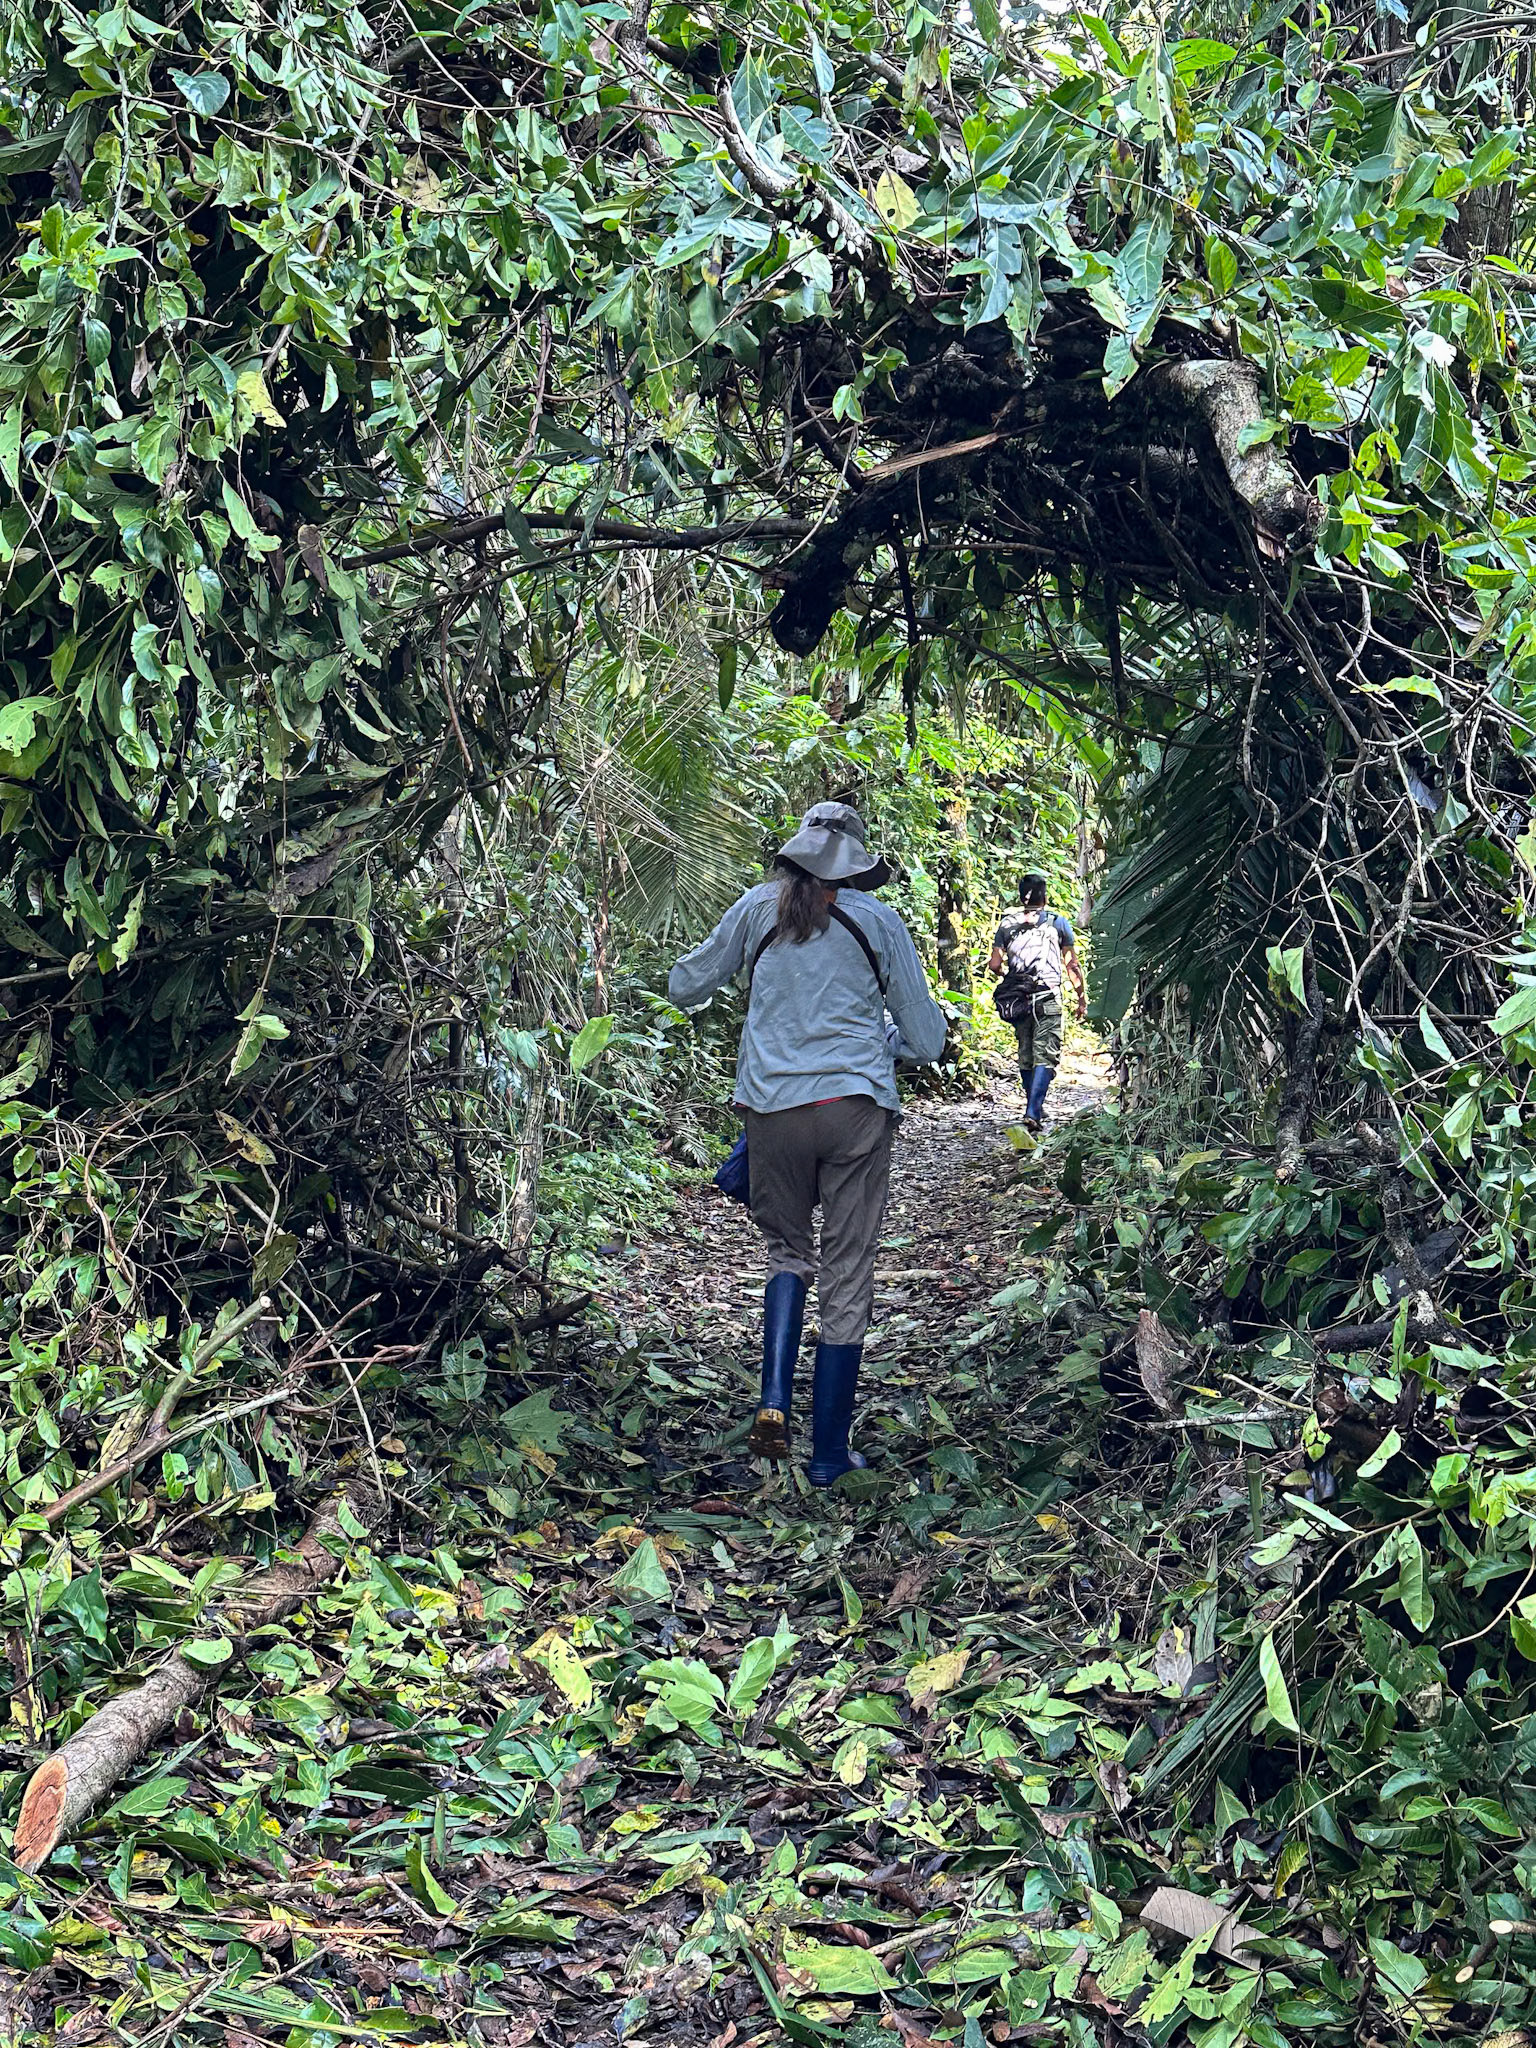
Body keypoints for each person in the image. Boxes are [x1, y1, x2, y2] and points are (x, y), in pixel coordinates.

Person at [669, 803, 947, 1485]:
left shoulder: (754, 909)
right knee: (848, 1269)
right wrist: (887, 1048)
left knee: (787, 1251)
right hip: (853, 1109)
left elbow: (684, 985)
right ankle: (827, 1456)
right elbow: (930, 1039)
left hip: (771, 1110)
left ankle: (772, 1401)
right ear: (853, 864)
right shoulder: (877, 920)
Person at [988, 872, 1086, 1131]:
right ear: (1045, 897)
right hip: (1047, 997)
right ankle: (1033, 1111)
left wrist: (1007, 974)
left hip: (1018, 1000)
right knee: (1047, 1055)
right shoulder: (1058, 922)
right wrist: (1081, 998)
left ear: (1021, 896)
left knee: (1027, 1054)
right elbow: (1072, 964)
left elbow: (995, 964)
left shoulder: (1007, 925)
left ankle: (1034, 1106)